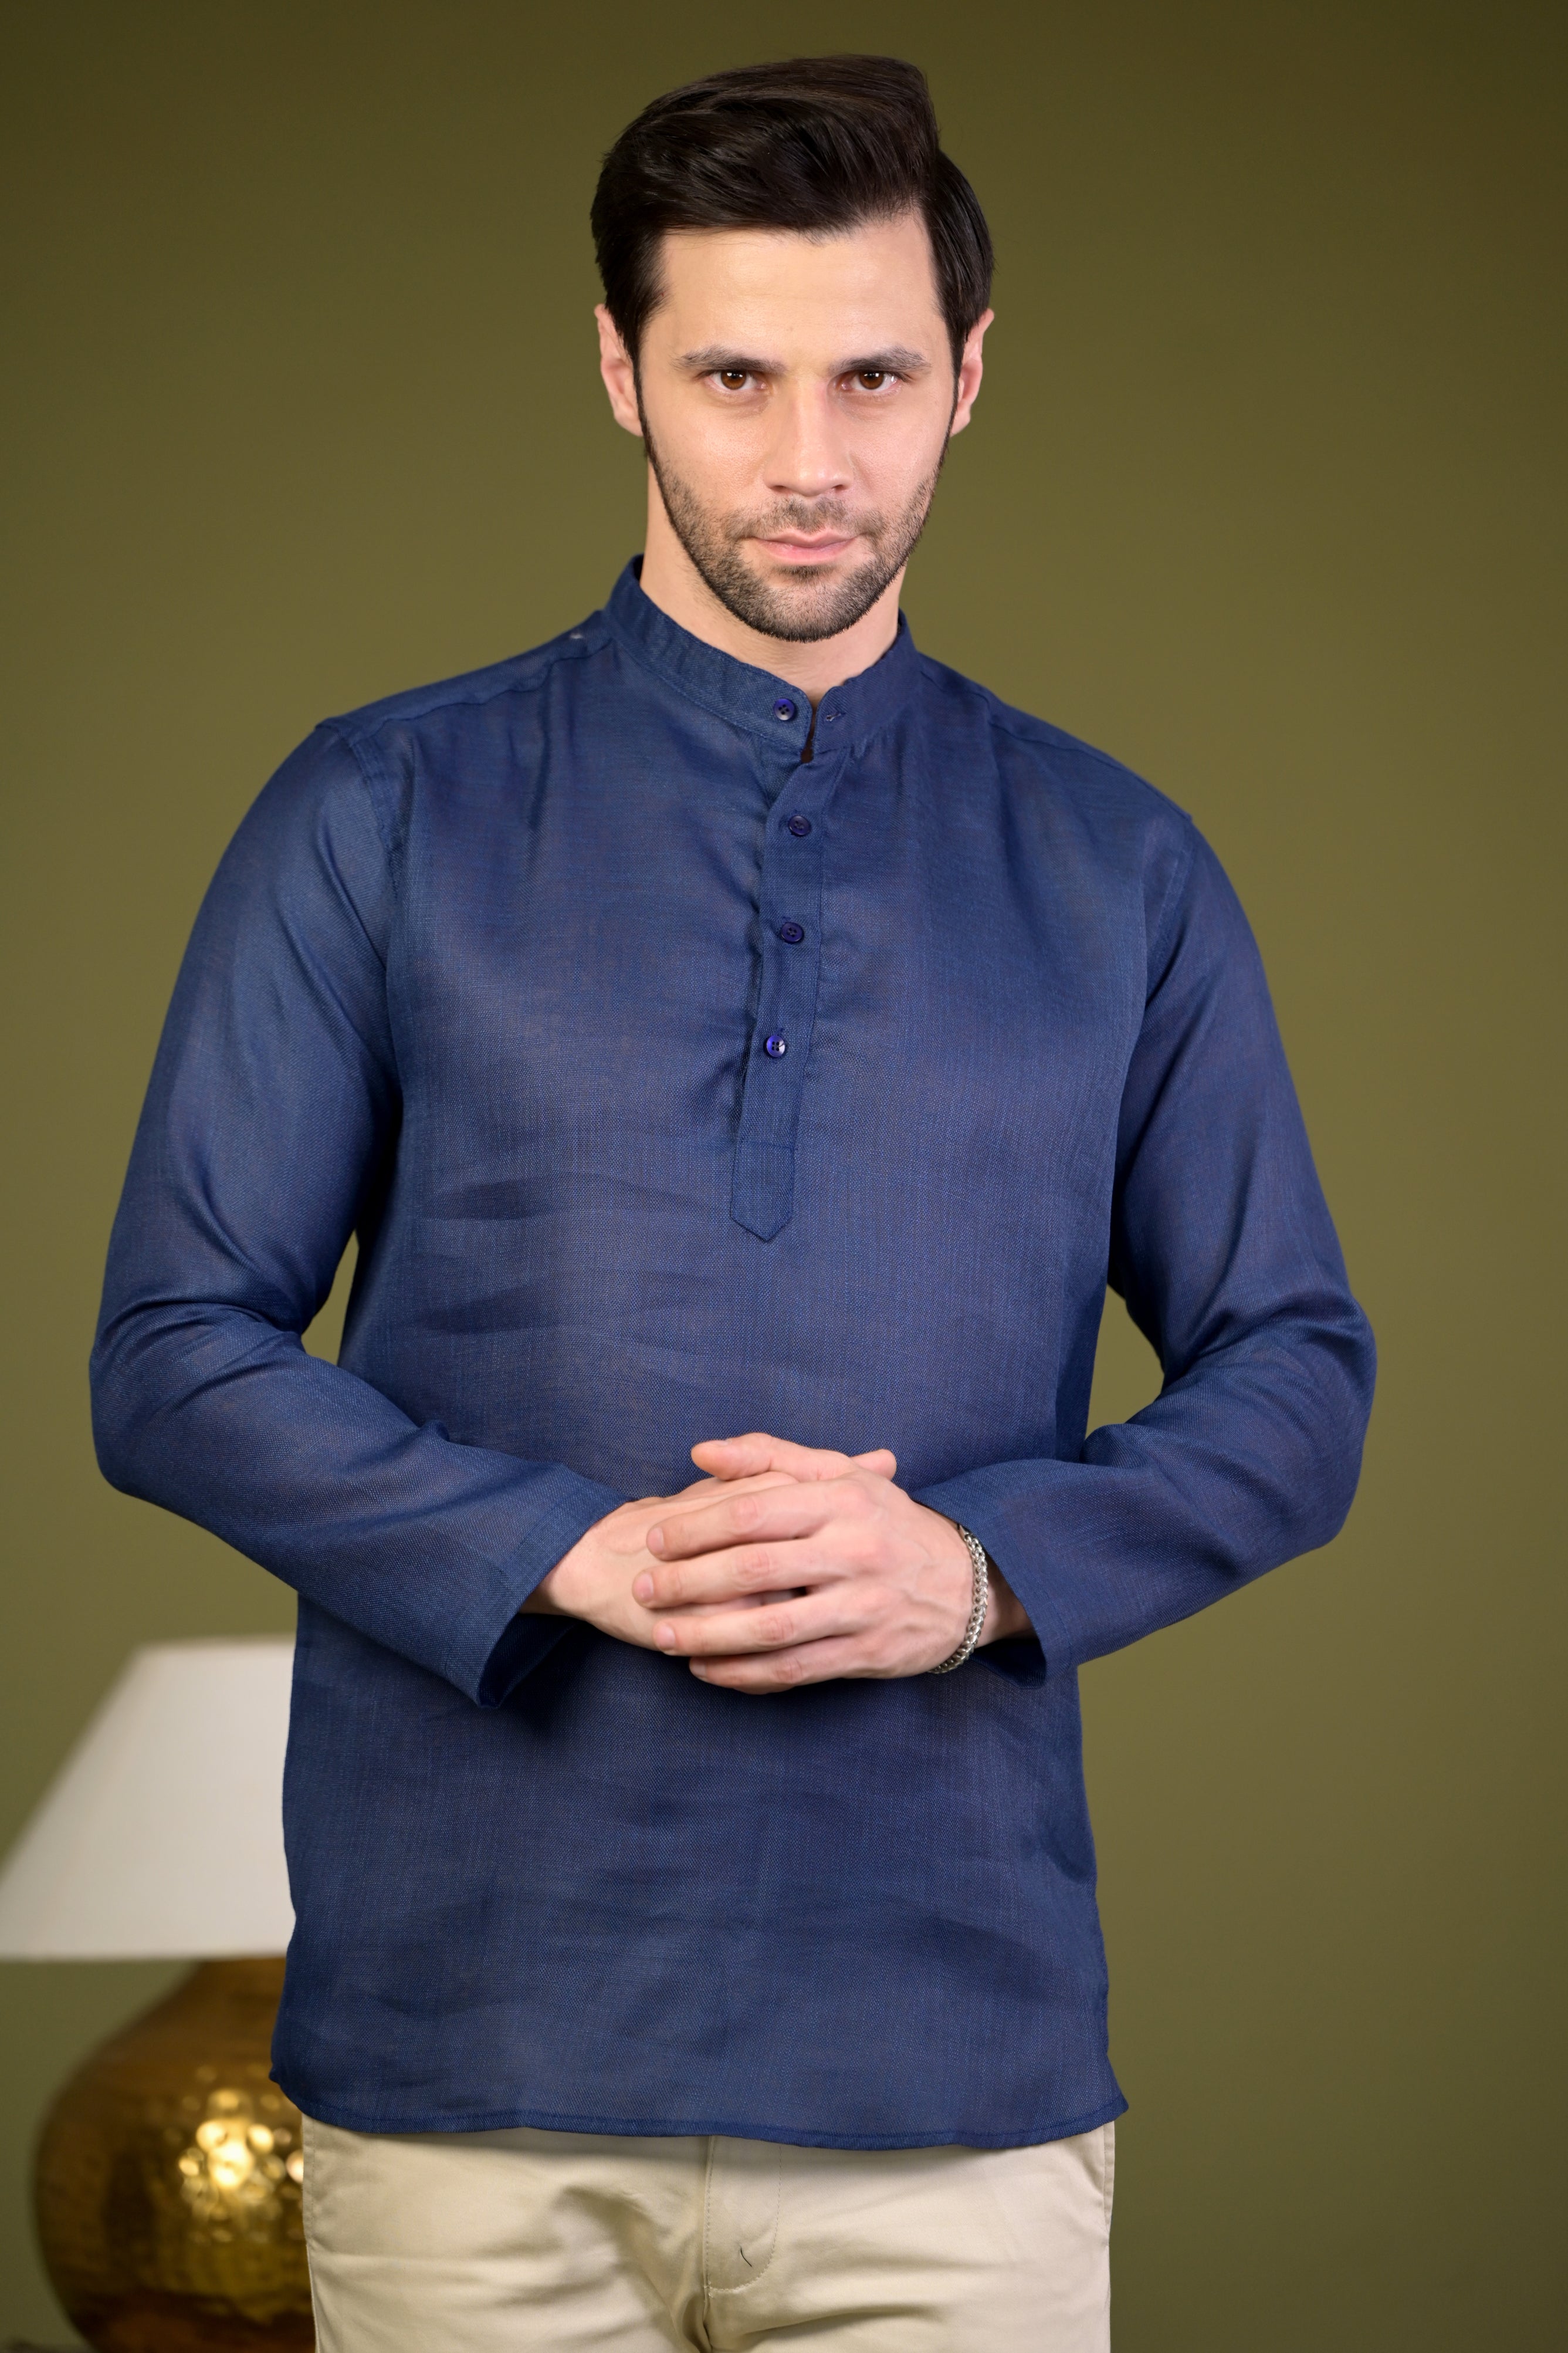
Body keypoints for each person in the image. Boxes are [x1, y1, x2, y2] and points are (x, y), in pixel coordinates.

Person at [90, 53, 1374, 2352]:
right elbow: (172, 1351)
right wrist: (557, 1548)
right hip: (471, 2062)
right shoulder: (378, 810)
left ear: (967, 374)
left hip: (951, 2082)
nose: (808, 458)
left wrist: (972, 1568)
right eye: (733, 376)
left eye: (871, 376)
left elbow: (1298, 1373)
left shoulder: (1119, 866)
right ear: (619, 369)